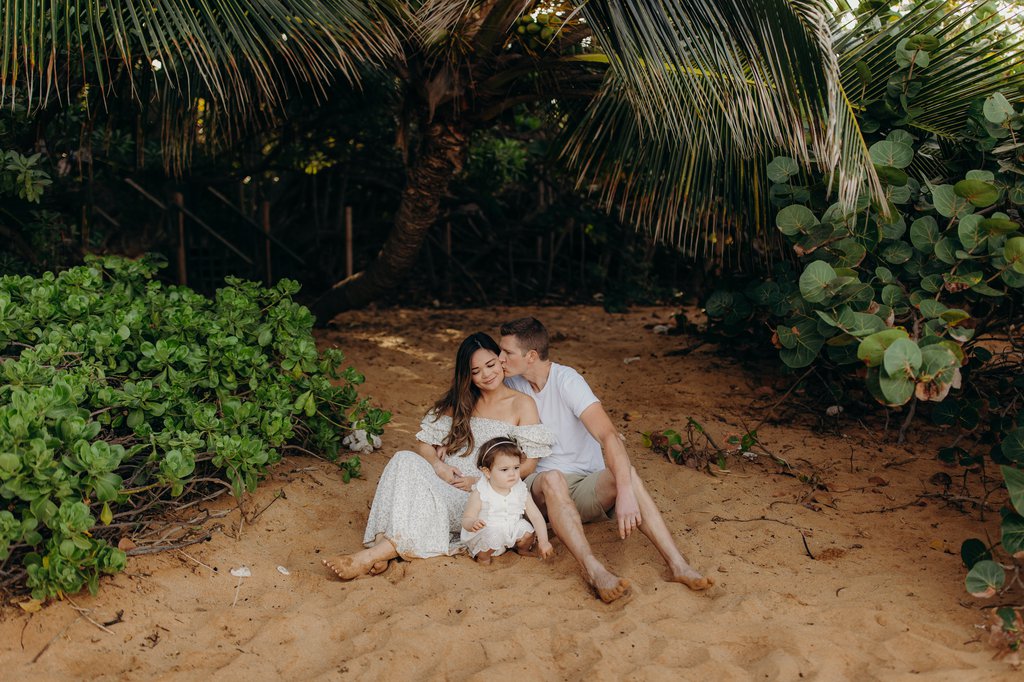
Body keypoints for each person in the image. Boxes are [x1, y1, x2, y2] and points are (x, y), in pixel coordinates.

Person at [499, 317, 713, 603]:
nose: (500, 359)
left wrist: (624, 493)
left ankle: (678, 564)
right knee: (552, 478)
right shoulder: (510, 383)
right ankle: (594, 570)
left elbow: (609, 436)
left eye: (507, 353)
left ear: (531, 356)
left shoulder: (567, 381)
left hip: (586, 486)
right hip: (542, 488)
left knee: (627, 474)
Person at [323, 332, 554, 579]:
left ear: (500, 360)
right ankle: (383, 547)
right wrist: (438, 466)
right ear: (467, 375)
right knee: (403, 459)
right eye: (476, 371)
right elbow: (424, 444)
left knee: (419, 497)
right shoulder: (462, 401)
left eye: (490, 365)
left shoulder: (521, 404)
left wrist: (478, 481)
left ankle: (368, 557)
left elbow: (528, 464)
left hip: (478, 498)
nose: (486, 375)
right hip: (445, 482)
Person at [461, 437, 554, 564]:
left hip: (510, 532)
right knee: (493, 534)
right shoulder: (481, 493)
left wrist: (543, 541)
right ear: (487, 472)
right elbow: (466, 518)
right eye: (505, 470)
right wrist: (472, 523)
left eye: (516, 468)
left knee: (526, 529)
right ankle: (484, 558)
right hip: (488, 535)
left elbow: (536, 516)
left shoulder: (520, 490)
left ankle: (521, 549)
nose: (512, 474)